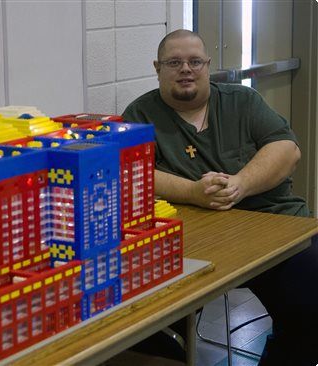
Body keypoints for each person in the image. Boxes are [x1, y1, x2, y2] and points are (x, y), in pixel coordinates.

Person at [122, 29, 318, 365]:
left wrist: (241, 183)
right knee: (148, 326)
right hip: (189, 242)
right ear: (158, 68)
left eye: (195, 61)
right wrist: (193, 193)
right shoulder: (140, 116)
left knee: (312, 301)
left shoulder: (242, 101)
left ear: (207, 65)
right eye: (174, 62)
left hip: (274, 226)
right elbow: (130, 172)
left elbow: (287, 150)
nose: (186, 69)